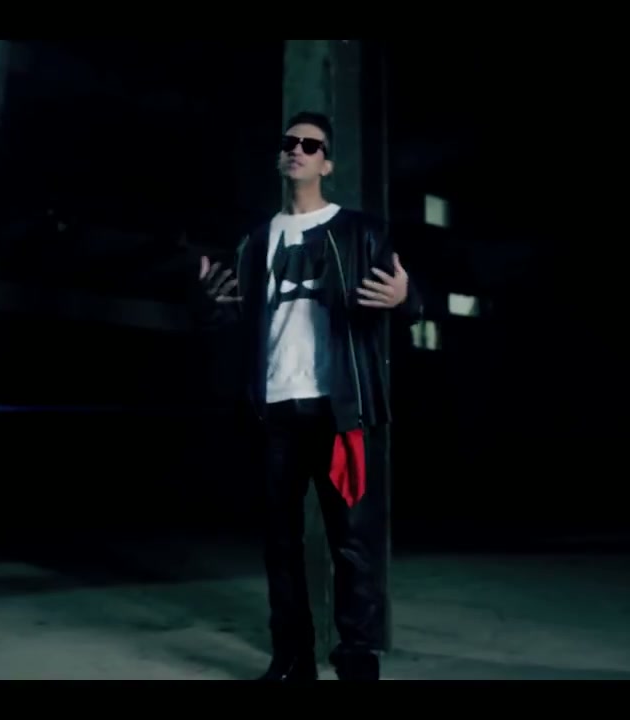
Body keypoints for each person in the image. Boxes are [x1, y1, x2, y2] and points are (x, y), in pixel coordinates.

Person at [193, 111, 423, 681]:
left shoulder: (362, 230)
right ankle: (292, 657)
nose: (296, 149)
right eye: (289, 142)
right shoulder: (255, 240)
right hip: (275, 409)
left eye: (310, 144)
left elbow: (408, 305)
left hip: (340, 409)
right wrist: (212, 305)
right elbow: (235, 324)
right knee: (279, 543)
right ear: (281, 156)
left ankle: (357, 660)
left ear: (327, 162)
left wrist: (408, 298)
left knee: (353, 544)